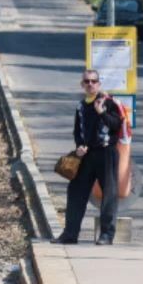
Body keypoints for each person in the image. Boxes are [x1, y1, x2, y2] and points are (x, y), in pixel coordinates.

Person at [58, 68, 125, 244]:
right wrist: (79, 146)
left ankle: (106, 235)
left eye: (93, 81)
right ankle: (70, 234)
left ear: (99, 84)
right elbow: (77, 131)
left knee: (109, 194)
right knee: (75, 191)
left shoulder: (108, 103)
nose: (90, 84)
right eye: (87, 81)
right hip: (86, 155)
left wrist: (102, 112)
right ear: (82, 84)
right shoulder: (80, 105)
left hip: (106, 153)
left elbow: (116, 125)